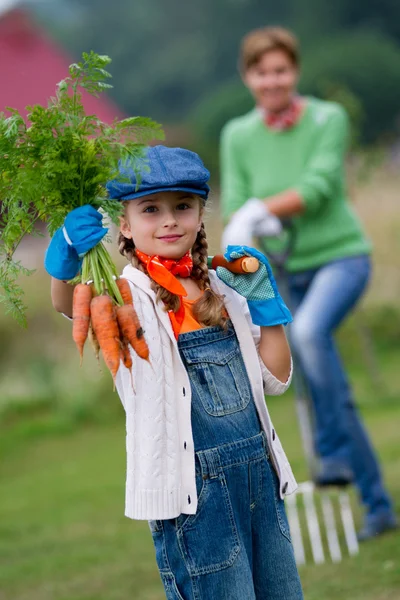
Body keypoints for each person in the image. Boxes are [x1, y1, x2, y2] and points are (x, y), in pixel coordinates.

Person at [44, 145, 304, 600]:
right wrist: (65, 258)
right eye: (150, 209)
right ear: (124, 223)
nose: (169, 220)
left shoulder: (223, 289)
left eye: (182, 206)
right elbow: (69, 303)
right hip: (190, 494)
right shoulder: (124, 293)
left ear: (201, 214)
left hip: (259, 483)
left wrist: (269, 309)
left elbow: (275, 380)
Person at [219, 26, 397, 541]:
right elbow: (238, 198)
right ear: (248, 76)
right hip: (282, 268)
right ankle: (378, 505)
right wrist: (248, 219)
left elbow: (319, 187)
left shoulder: (327, 117)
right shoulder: (238, 133)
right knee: (325, 382)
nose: (272, 80)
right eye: (261, 71)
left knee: (310, 334)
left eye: (281, 69)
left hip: (341, 257)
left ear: (294, 71)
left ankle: (333, 452)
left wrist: (262, 209)